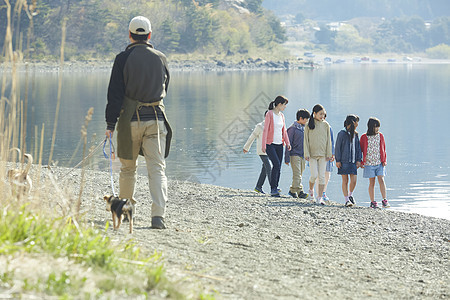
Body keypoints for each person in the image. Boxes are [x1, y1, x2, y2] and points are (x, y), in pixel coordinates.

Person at [105, 16, 172, 229]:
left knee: (128, 169)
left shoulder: (122, 58)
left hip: (129, 121)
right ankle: (158, 217)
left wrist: (109, 124)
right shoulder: (161, 58)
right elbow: (165, 88)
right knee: (157, 169)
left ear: (130, 35)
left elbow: (114, 95)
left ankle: (124, 212)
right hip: (156, 119)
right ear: (149, 35)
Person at [262, 96, 291, 197]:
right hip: (270, 144)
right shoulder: (269, 114)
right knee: (276, 164)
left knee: (278, 167)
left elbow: (284, 130)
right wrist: (263, 144)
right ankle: (273, 188)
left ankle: (276, 186)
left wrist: (287, 143)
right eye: (284, 104)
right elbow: (265, 130)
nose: (285, 107)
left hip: (280, 145)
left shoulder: (282, 116)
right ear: (279, 104)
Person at [304, 104, 333, 205]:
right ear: (314, 113)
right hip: (312, 155)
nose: (322, 116)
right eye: (320, 114)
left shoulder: (326, 125)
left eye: (323, 114)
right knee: (314, 175)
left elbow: (329, 141)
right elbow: (306, 141)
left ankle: (319, 197)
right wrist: (306, 153)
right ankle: (311, 191)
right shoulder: (308, 125)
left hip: (323, 155)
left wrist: (329, 153)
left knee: (321, 176)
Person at [360, 117, 390, 208]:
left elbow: (383, 148)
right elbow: (360, 150)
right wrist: (361, 162)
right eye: (376, 127)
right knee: (372, 182)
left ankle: (384, 200)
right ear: (370, 127)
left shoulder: (380, 136)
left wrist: (384, 160)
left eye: (378, 127)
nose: (377, 129)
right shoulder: (364, 137)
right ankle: (373, 202)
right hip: (369, 164)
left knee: (381, 179)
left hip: (379, 163)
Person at [335, 115, 362, 207]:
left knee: (354, 180)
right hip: (343, 161)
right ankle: (346, 200)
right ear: (352, 122)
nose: (357, 124)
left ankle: (350, 195)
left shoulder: (355, 134)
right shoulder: (342, 133)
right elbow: (337, 148)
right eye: (356, 122)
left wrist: (359, 160)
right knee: (345, 180)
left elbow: (358, 148)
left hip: (353, 161)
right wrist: (337, 160)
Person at [243, 111, 271, 194]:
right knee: (269, 167)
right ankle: (274, 187)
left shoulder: (273, 127)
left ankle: (258, 187)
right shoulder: (260, 126)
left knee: (265, 169)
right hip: (262, 151)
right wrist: (246, 147)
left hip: (270, 151)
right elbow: (252, 137)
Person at [285, 109, 310, 199]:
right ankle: (300, 191)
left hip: (302, 155)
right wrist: (287, 158)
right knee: (297, 174)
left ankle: (293, 191)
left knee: (300, 174)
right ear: (300, 118)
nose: (307, 121)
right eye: (305, 119)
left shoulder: (305, 128)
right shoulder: (292, 129)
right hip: (294, 154)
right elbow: (288, 144)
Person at [314, 112, 334, 203]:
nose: (322, 118)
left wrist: (332, 154)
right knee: (318, 175)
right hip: (317, 154)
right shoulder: (313, 126)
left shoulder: (328, 127)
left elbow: (332, 142)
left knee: (327, 174)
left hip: (327, 154)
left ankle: (323, 192)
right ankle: (318, 193)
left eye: (324, 116)